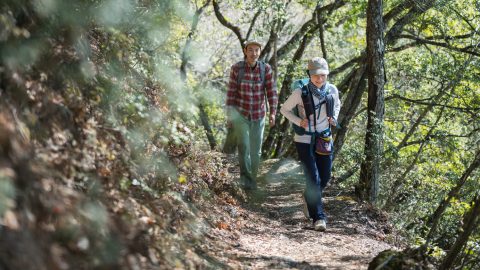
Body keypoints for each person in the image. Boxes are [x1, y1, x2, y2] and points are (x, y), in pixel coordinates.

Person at [280, 57, 341, 231]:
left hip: (324, 138)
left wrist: (334, 117)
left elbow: (337, 104)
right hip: (304, 140)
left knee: (325, 176)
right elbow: (284, 109)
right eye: (316, 75)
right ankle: (318, 218)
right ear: (309, 75)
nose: (319, 79)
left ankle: (309, 196)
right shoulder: (301, 92)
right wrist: (299, 121)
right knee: (313, 178)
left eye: (323, 75)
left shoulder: (332, 90)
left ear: (327, 74)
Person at [226, 40, 278, 190]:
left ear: (259, 52)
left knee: (256, 151)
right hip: (241, 114)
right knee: (243, 147)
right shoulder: (237, 68)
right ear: (245, 51)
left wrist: (272, 113)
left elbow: (271, 92)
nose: (253, 53)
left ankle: (252, 179)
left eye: (256, 50)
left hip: (258, 114)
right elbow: (231, 93)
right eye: (250, 50)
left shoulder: (265, 69)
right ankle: (246, 181)